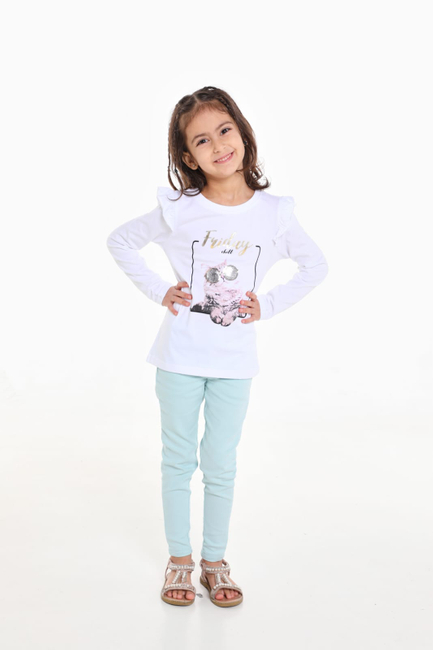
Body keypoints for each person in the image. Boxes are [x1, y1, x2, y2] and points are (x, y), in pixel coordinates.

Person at [106, 86, 329, 608]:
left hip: (234, 363)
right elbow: (120, 241)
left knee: (221, 464)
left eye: (224, 130)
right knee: (178, 459)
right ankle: (180, 560)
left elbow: (315, 266)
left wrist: (266, 305)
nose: (218, 145)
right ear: (189, 157)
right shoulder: (178, 210)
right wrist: (159, 291)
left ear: (243, 133)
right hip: (179, 358)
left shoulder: (274, 214)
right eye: (201, 140)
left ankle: (214, 560)